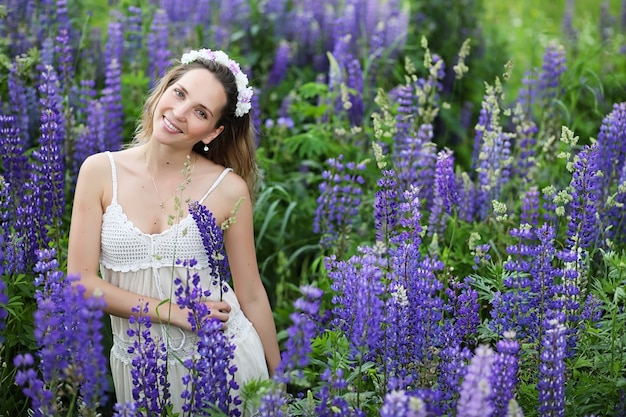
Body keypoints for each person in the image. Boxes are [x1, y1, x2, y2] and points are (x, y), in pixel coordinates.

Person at [67, 48, 281, 414]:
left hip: (223, 363)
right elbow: (81, 283)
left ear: (213, 131)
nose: (180, 113)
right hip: (140, 369)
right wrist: (175, 311)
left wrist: (281, 390)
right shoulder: (100, 172)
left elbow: (252, 294)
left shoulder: (228, 190)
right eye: (179, 94)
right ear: (164, 90)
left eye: (201, 112)